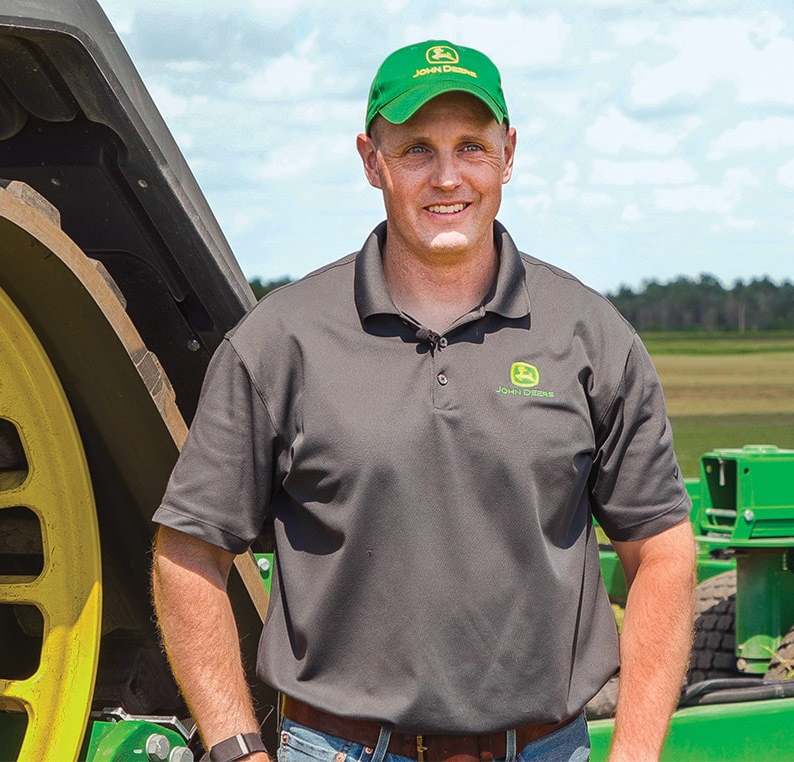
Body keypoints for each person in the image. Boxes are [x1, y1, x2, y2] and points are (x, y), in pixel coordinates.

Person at [152, 39, 697, 762]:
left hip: (543, 749)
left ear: (508, 153)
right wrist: (235, 749)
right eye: (416, 150)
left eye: (470, 146)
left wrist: (633, 754)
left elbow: (660, 549)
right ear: (371, 159)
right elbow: (187, 551)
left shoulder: (590, 337)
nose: (448, 177)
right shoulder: (280, 341)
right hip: (336, 747)